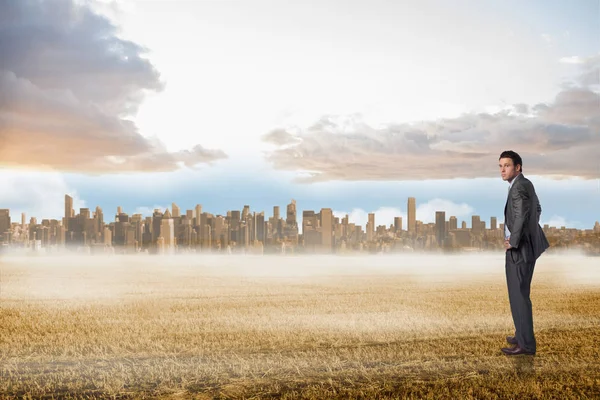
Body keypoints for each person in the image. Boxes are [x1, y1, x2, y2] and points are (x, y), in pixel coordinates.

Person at [498, 150, 549, 356]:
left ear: (517, 167)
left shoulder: (519, 187)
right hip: (525, 247)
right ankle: (522, 334)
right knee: (519, 295)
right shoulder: (523, 184)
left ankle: (526, 345)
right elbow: (536, 208)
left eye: (507, 165)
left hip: (520, 250)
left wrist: (514, 241)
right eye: (500, 166)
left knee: (519, 296)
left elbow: (520, 216)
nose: (502, 170)